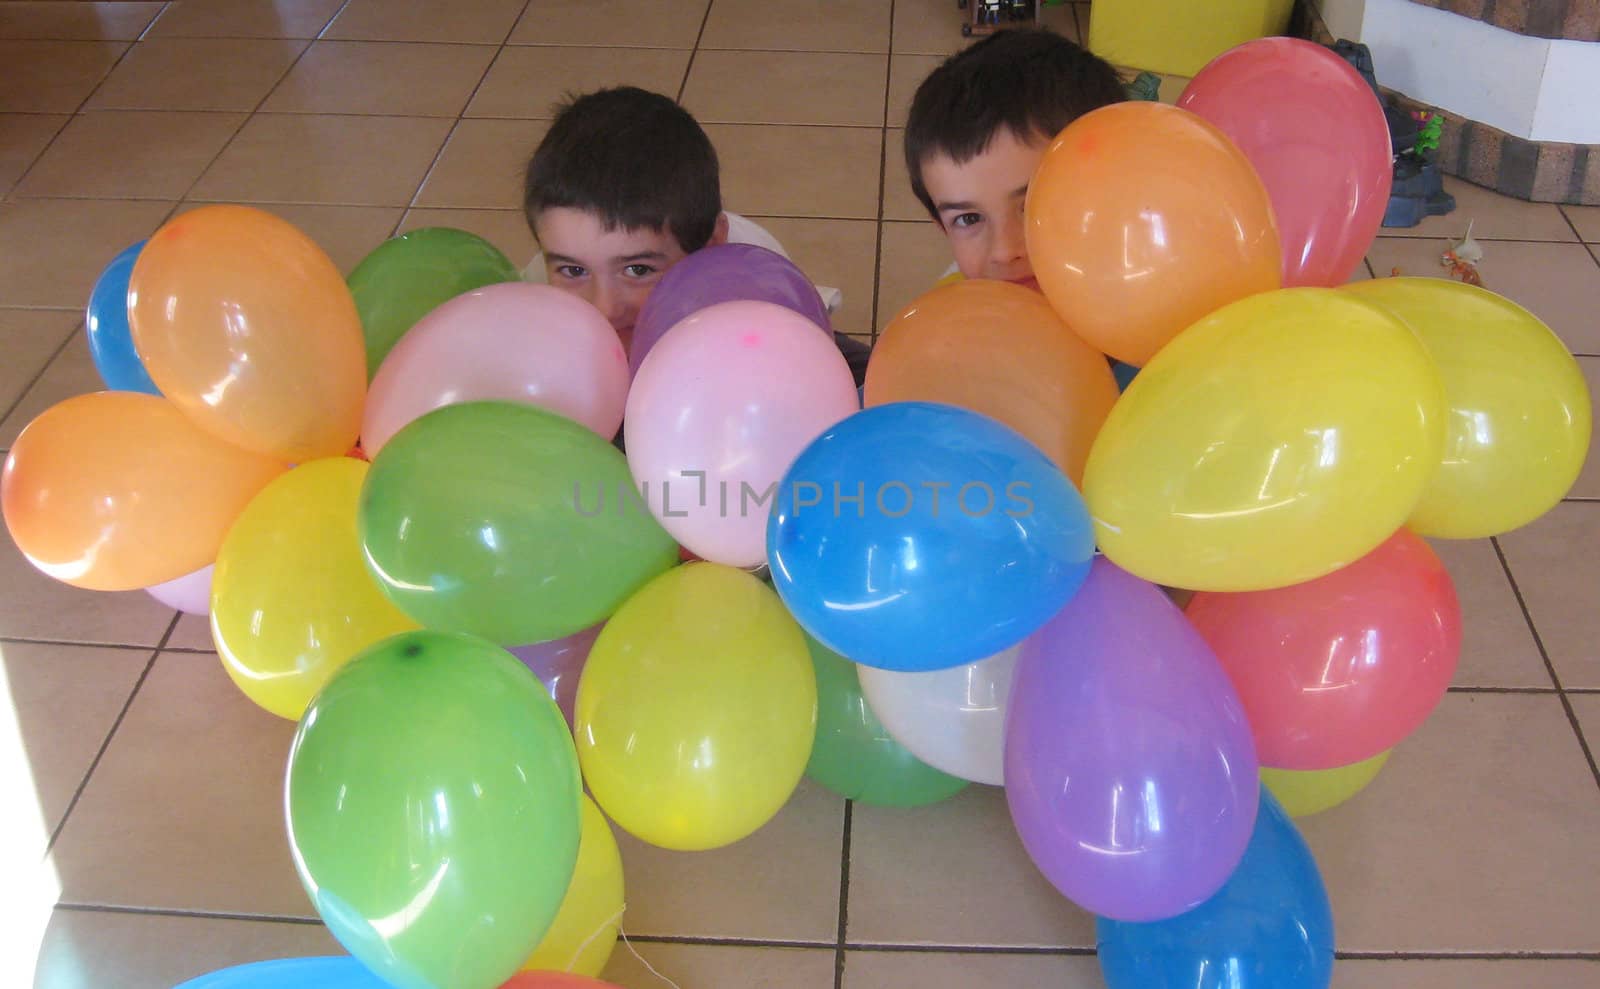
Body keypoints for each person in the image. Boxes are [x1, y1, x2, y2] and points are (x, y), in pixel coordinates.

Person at [520, 86, 865, 384]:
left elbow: (701, 453)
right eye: (574, 271)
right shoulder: (537, 290)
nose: (605, 308)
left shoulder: (752, 296)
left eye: (638, 270)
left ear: (711, 245)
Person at [903, 27, 1127, 288]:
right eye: (969, 219)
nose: (1005, 251)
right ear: (942, 227)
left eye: (1033, 204)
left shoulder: (1164, 299)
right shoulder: (958, 313)